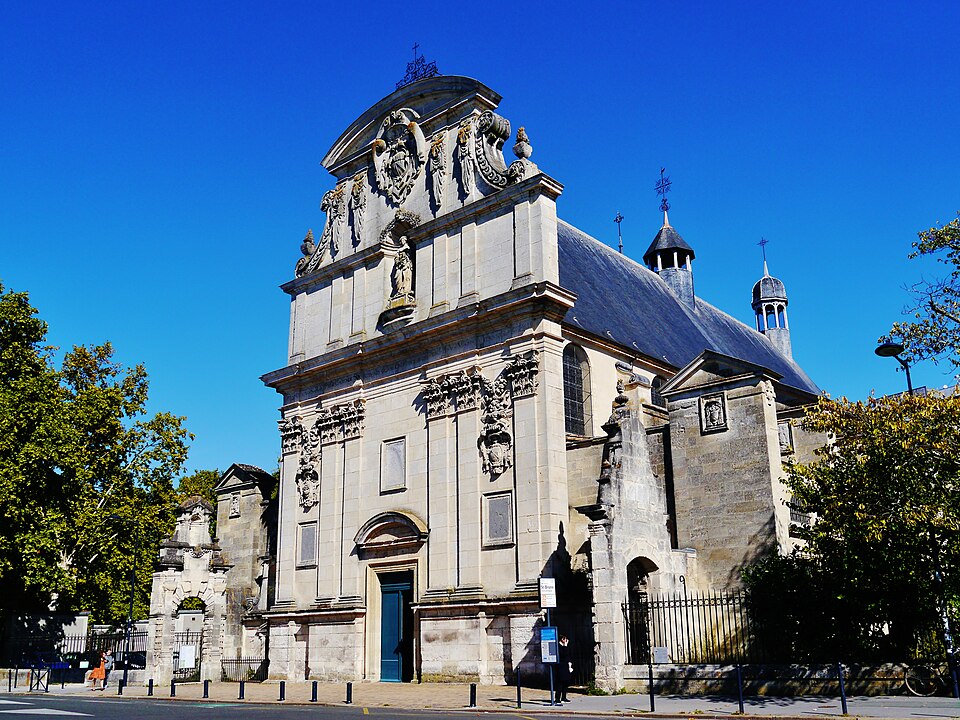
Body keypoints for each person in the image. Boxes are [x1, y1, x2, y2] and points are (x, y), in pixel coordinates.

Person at [557, 635, 572, 704]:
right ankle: (557, 698)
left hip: (566, 666)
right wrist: (565, 646)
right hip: (561, 666)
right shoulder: (559, 646)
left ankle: (564, 697)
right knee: (560, 683)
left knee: (566, 682)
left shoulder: (565, 646)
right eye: (564, 639)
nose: (566, 640)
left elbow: (567, 654)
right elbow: (563, 654)